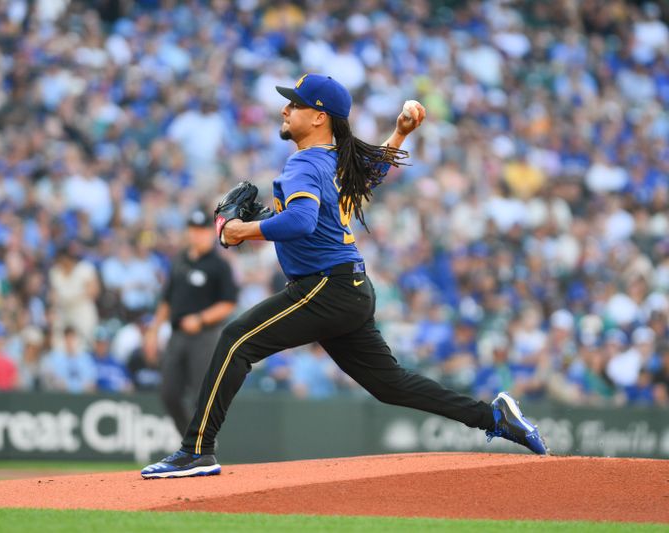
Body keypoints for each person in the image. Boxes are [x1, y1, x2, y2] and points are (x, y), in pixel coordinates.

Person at [142, 74, 548, 479]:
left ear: (319, 117)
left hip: (326, 286)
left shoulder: (304, 162)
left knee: (235, 341)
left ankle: (197, 451)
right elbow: (366, 176)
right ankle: (493, 418)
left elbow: (301, 220)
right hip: (348, 287)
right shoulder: (335, 160)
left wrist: (241, 231)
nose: (285, 109)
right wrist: (400, 133)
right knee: (391, 385)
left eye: (295, 104)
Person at [143, 208, 238, 434]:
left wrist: (201, 318)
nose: (197, 235)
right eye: (193, 230)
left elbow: (229, 302)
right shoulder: (180, 261)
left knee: (201, 395)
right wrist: (153, 332)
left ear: (210, 232)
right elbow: (166, 299)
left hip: (205, 336)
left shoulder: (219, 265)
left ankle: (202, 444)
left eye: (201, 230)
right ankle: (189, 440)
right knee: (169, 393)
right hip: (177, 334)